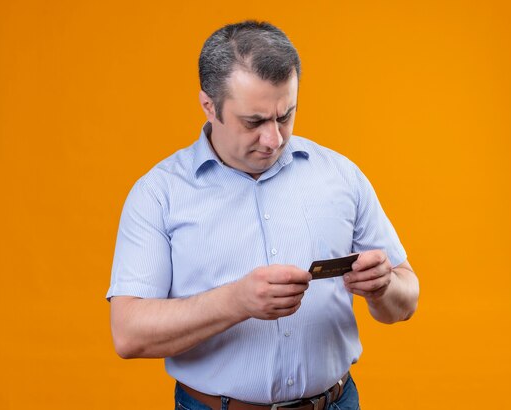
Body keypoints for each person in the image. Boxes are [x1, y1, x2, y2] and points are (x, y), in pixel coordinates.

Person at [107, 20, 419, 410]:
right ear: (209, 105)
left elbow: (406, 300)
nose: (273, 139)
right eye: (253, 122)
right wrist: (236, 301)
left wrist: (384, 286)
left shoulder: (341, 174)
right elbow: (129, 335)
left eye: (286, 115)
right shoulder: (158, 194)